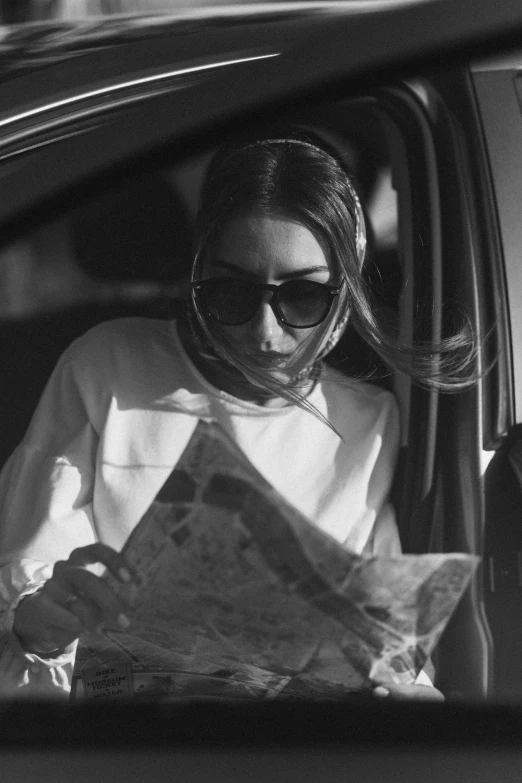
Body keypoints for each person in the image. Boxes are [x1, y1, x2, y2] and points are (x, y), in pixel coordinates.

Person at [0, 136, 474, 700]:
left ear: (345, 291)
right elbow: (28, 591)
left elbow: (382, 640)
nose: (264, 332)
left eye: (302, 297)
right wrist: (40, 627)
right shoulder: (106, 367)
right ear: (197, 276)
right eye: (231, 293)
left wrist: (403, 696)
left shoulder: (369, 422)